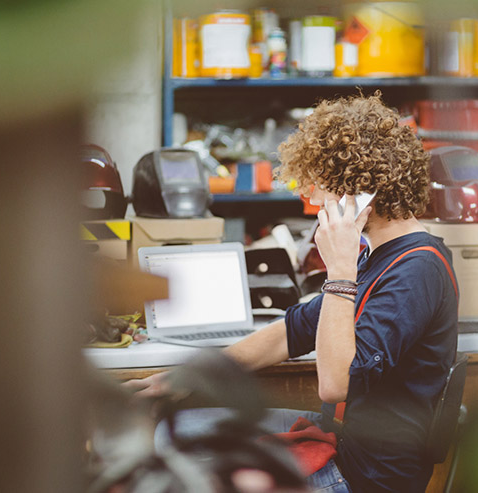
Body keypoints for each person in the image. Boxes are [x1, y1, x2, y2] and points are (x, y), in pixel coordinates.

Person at [127, 93, 459, 492]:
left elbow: (337, 385)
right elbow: (291, 331)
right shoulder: (381, 256)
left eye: (322, 186)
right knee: (176, 429)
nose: (313, 199)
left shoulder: (416, 270)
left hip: (364, 476)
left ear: (361, 190)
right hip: (339, 437)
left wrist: (339, 269)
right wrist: (188, 377)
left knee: (188, 460)